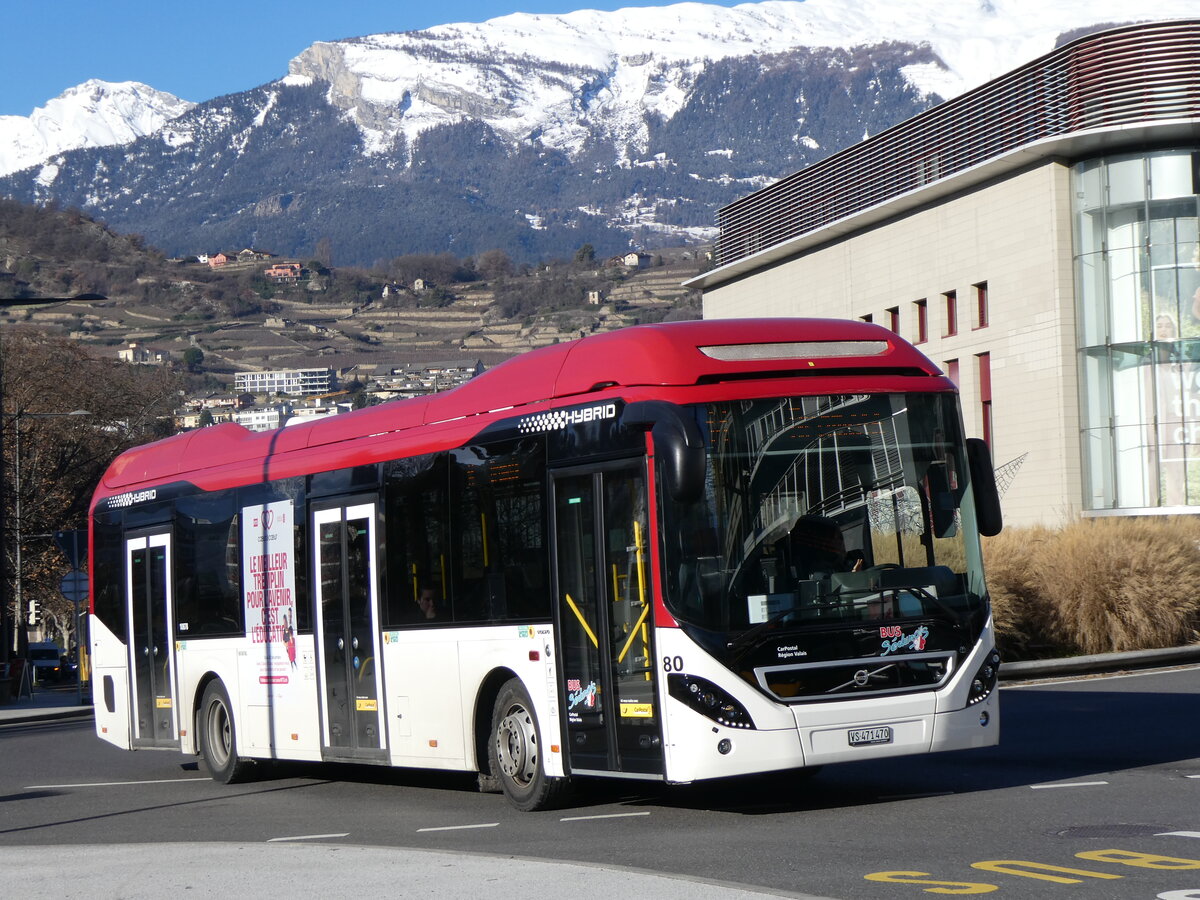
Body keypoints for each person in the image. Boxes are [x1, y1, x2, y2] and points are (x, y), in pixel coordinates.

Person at [787, 515, 854, 579]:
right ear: (824, 543)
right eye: (839, 537)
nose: (842, 542)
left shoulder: (843, 563)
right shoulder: (821, 574)